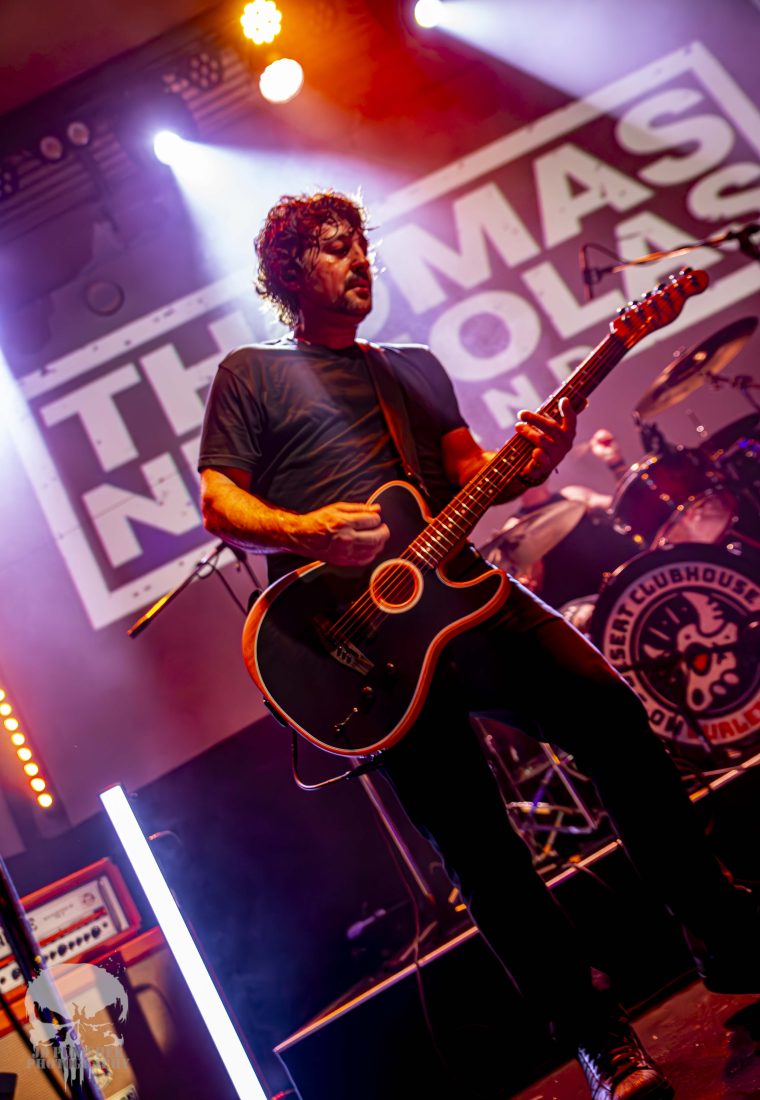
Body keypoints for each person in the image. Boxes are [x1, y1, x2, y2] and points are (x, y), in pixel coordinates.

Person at [199, 191, 758, 1100]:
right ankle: (599, 1040)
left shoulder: (411, 369)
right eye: (337, 249)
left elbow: (475, 477)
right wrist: (307, 532)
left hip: (465, 599)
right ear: (289, 272)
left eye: (363, 245)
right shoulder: (251, 375)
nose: (361, 261)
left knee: (611, 716)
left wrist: (538, 456)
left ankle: (728, 937)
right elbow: (219, 503)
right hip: (358, 648)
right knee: (479, 847)